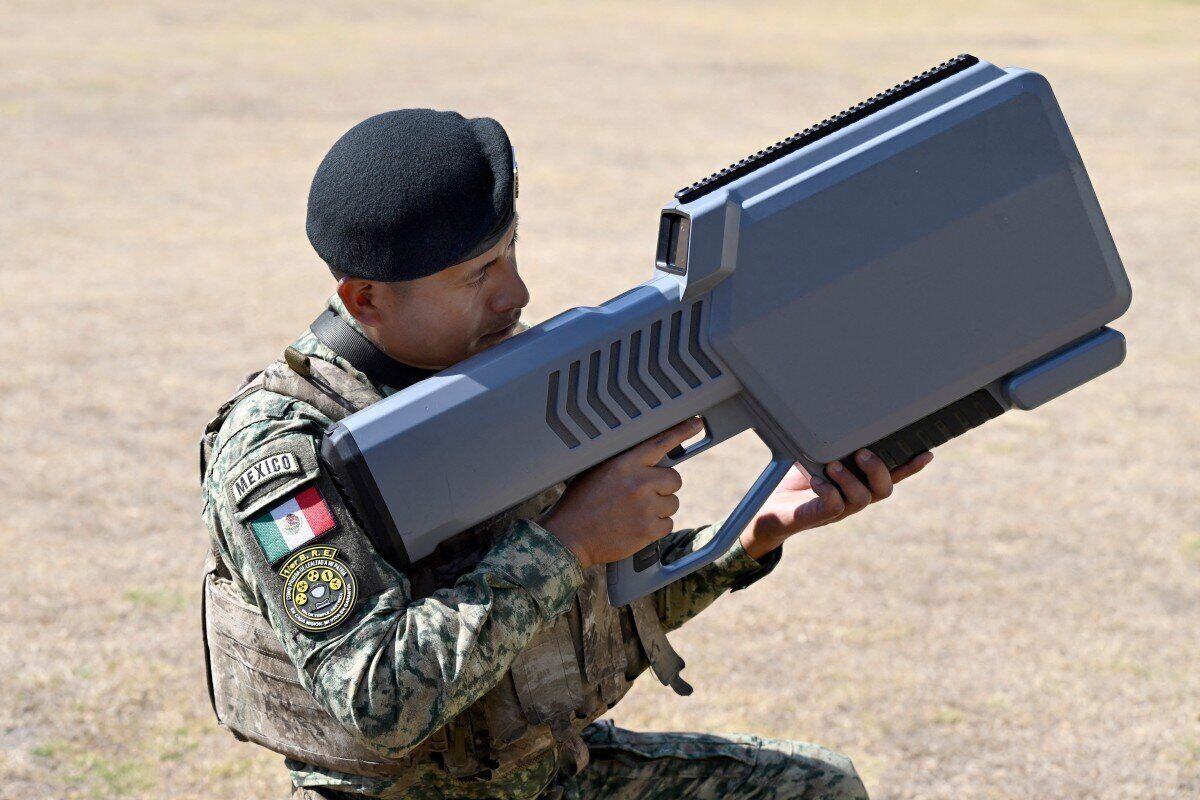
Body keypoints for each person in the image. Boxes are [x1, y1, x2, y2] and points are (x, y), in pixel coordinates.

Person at [198, 109, 933, 800]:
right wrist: (569, 540)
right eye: (477, 275)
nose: (515, 294)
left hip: (549, 772)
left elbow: (594, 614)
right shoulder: (284, 452)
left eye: (510, 253)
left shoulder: (503, 373)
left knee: (819, 788)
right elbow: (376, 700)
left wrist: (752, 534)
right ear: (365, 299)